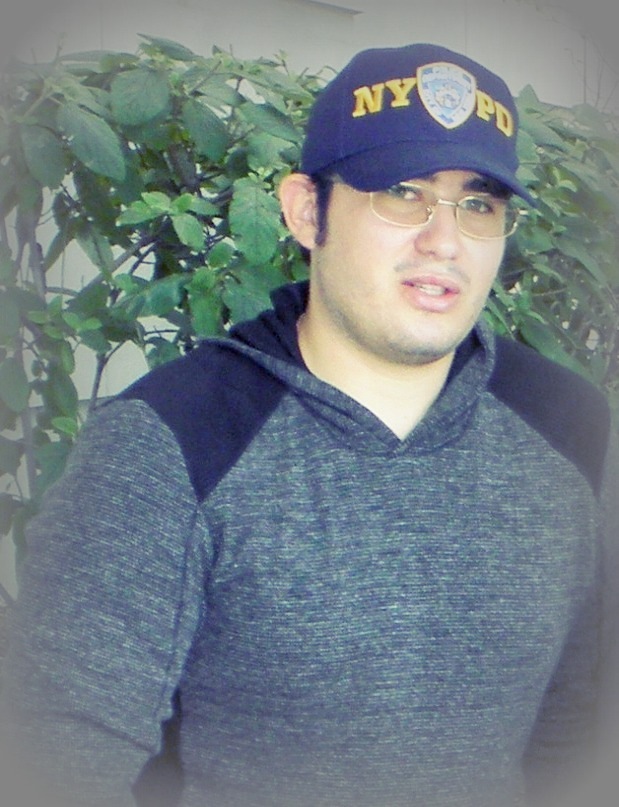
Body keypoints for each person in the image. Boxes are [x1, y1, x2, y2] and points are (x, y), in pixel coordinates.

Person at [0, 42, 617, 807]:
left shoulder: (566, 424)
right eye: (401, 192)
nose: (444, 240)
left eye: (478, 204)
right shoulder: (173, 441)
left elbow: (578, 729)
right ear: (304, 211)